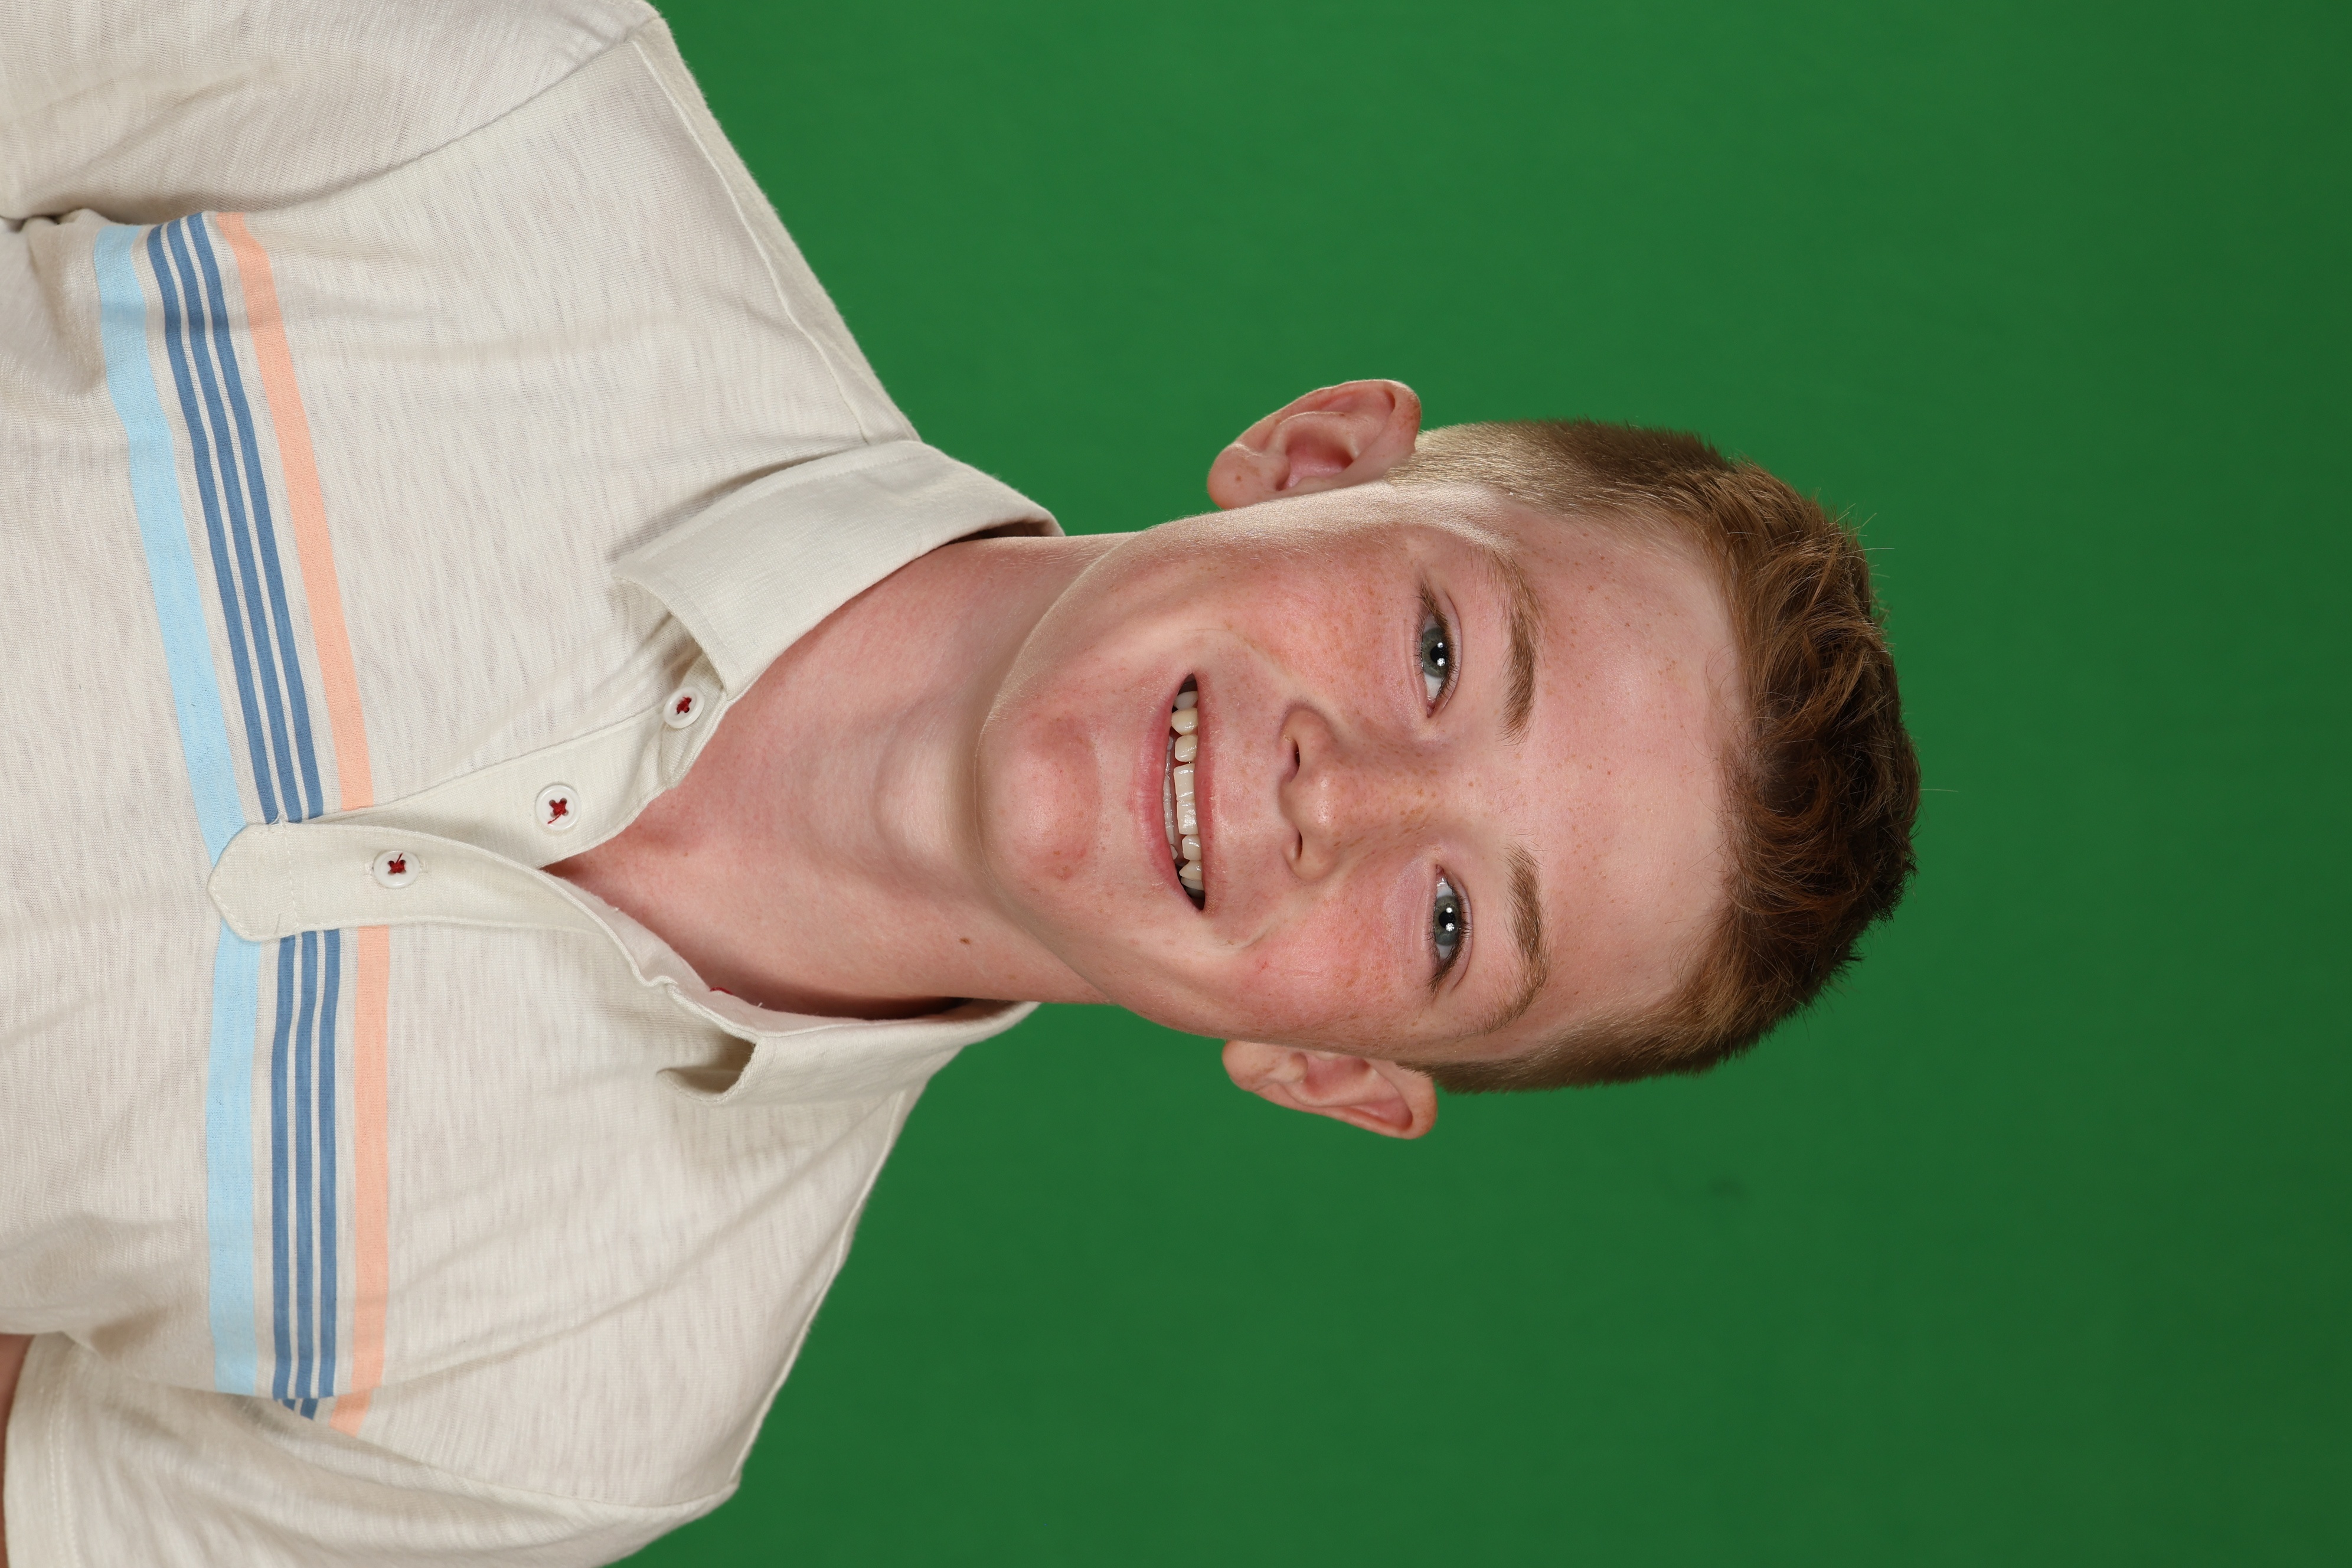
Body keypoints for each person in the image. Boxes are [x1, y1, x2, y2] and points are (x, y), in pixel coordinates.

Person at [0, 1, 1918, 1562]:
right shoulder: (511, 115)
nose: (1342, 802)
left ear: (1331, 1069)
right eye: (1438, 652)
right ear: (1319, 457)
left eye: (1446, 924)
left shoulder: (573, 1426)